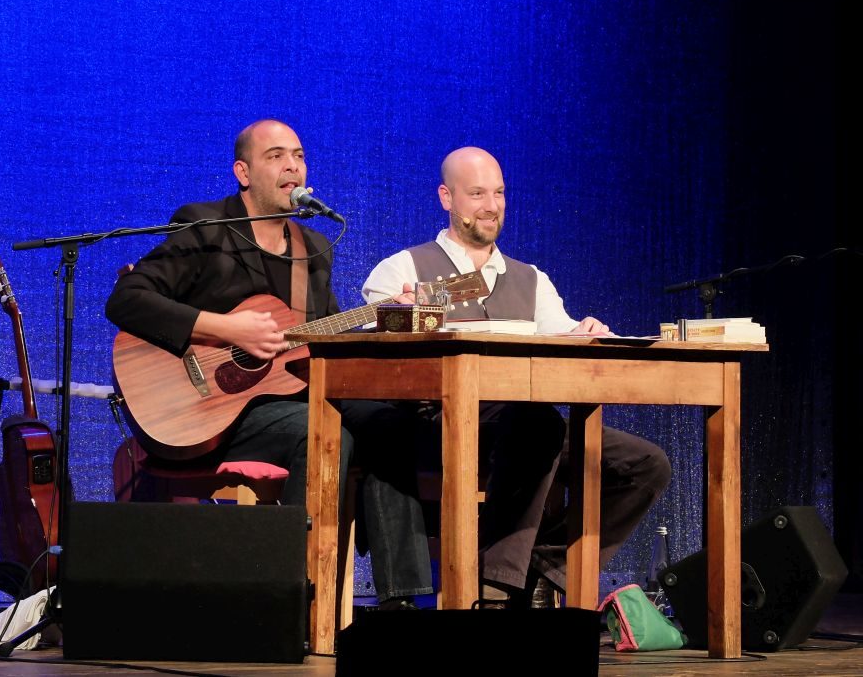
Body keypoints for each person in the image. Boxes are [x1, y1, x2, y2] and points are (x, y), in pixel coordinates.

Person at [105, 119, 432, 610]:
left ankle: (402, 603)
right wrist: (227, 329)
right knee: (323, 431)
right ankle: (292, 594)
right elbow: (127, 300)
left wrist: (389, 319)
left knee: (389, 423)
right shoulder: (206, 228)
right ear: (244, 172)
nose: (292, 166)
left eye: (298, 155)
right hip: (203, 409)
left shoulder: (314, 251)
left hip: (286, 396)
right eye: (277, 156)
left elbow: (324, 337)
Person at [361, 145, 671, 607]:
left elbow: (560, 334)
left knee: (645, 465)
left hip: (523, 426)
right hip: (441, 425)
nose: (491, 205)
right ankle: (495, 588)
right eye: (477, 193)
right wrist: (398, 317)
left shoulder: (530, 279)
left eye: (500, 193)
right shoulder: (404, 268)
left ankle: (546, 564)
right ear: (446, 198)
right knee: (537, 424)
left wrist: (585, 333)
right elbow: (368, 340)